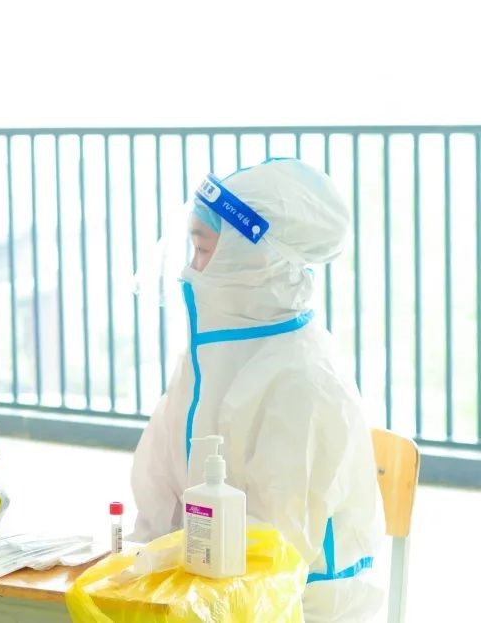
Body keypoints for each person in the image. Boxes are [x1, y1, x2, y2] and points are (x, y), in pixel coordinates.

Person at [130, 158, 384, 622]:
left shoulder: (304, 379)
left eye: (203, 249)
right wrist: (136, 568)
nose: (190, 270)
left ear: (255, 259)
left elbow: (275, 557)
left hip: (299, 609)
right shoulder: (207, 360)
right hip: (207, 597)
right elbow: (158, 494)